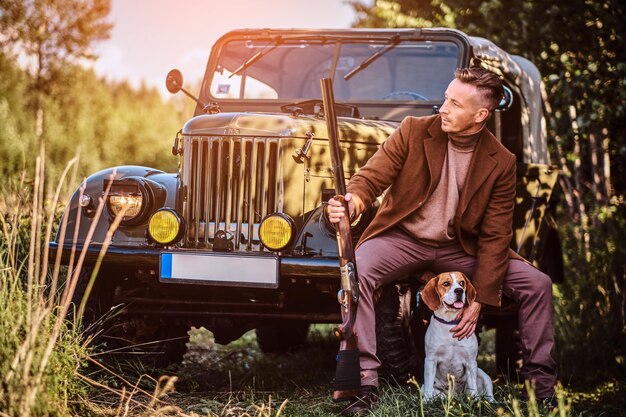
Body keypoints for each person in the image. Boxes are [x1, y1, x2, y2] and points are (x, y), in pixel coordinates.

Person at [327, 67, 558, 415]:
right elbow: (371, 178)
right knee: (357, 271)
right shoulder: (412, 130)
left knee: (537, 283)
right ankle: (364, 384)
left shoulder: (502, 161)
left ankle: (542, 390)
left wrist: (478, 296)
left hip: (458, 248)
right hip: (403, 237)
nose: (443, 108)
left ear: (480, 115)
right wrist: (353, 201)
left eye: (454, 103)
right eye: (446, 98)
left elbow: (496, 234)